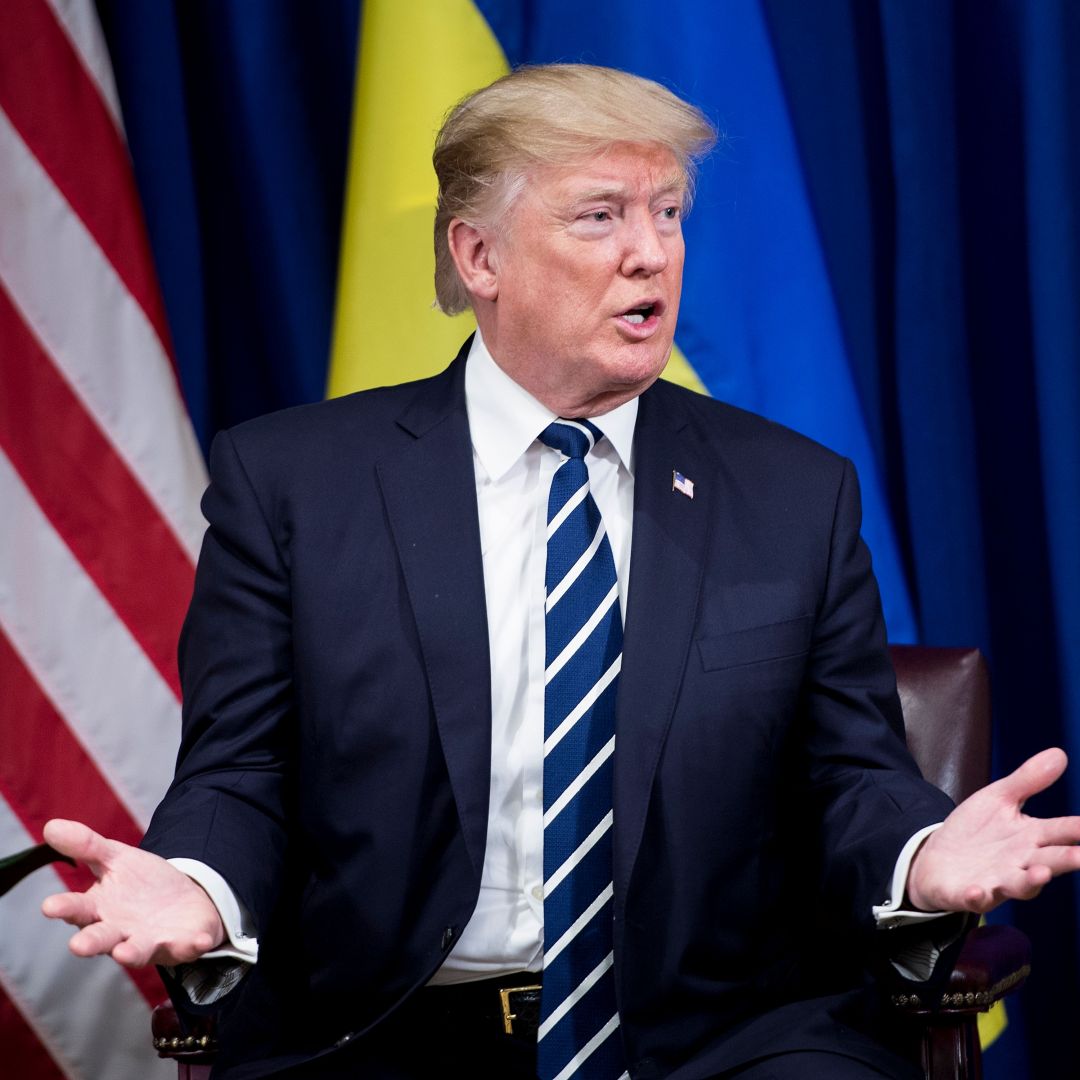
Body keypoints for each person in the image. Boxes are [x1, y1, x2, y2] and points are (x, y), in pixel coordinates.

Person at [41, 64, 1080, 1080]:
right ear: (479, 254)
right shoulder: (294, 485)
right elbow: (245, 770)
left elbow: (846, 774)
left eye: (668, 213)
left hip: (722, 1039)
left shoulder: (793, 494)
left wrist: (918, 858)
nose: (652, 255)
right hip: (388, 1033)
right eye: (600, 218)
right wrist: (199, 885)